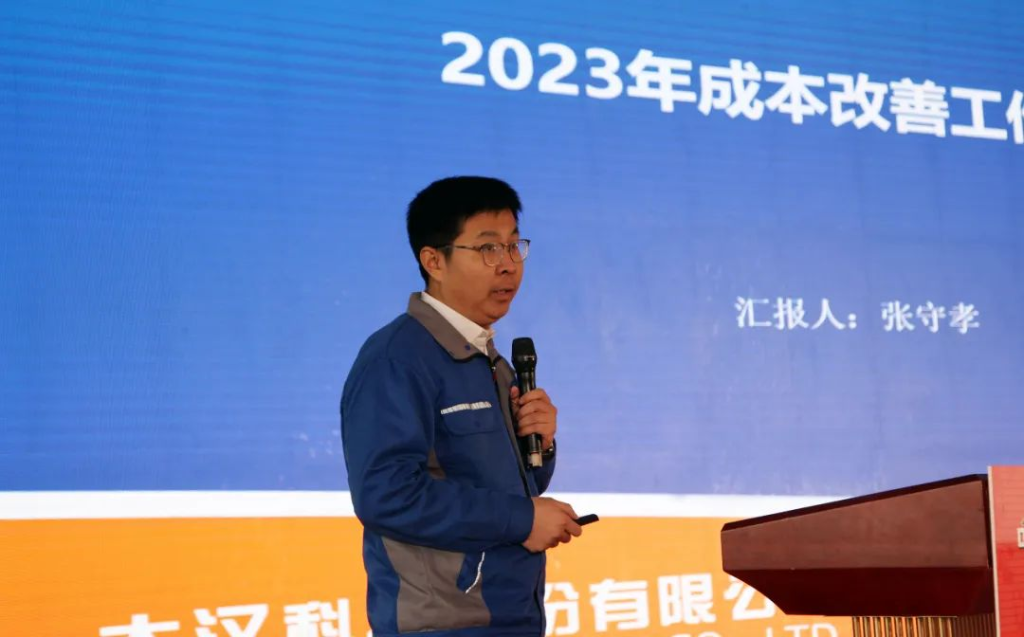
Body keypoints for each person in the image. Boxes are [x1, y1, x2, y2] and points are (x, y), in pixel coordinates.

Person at [340, 176, 583, 637]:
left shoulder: (492, 361)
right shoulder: (397, 359)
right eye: (488, 249)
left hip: (511, 616)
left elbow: (503, 484)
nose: (508, 265)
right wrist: (523, 518)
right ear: (433, 260)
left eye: (514, 246)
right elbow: (387, 494)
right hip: (443, 622)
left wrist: (541, 445)